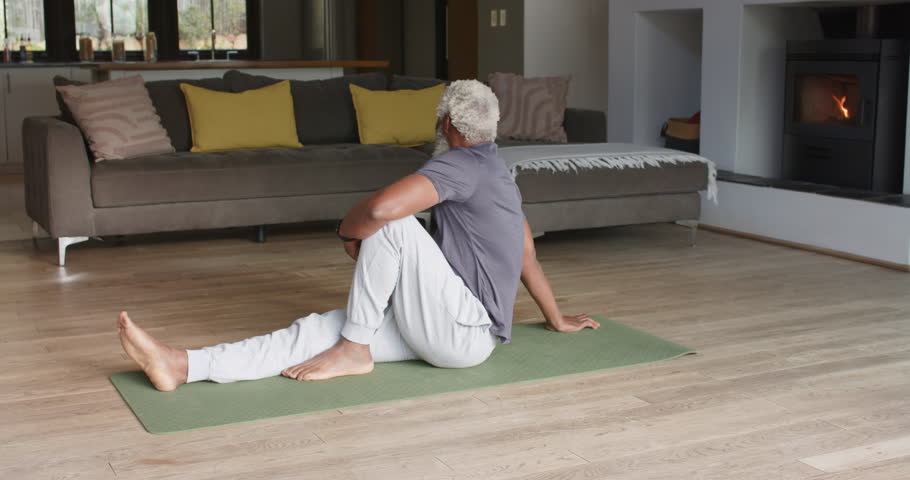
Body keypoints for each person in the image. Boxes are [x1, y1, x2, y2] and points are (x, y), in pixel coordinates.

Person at [117, 80, 600, 392]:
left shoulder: (457, 163)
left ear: (448, 125)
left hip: (461, 329)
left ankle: (354, 349)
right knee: (313, 332)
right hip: (449, 330)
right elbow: (527, 254)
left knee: (392, 225)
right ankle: (181, 365)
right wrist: (554, 318)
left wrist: (347, 233)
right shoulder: (500, 172)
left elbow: (381, 210)